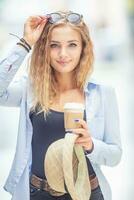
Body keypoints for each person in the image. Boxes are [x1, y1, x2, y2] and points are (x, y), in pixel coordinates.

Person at [0, 11, 122, 200]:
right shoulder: (31, 89)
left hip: (87, 193)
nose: (63, 54)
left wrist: (91, 145)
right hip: (37, 193)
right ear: (44, 49)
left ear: (84, 47)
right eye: (54, 45)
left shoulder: (102, 93)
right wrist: (25, 43)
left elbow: (115, 155)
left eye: (72, 45)